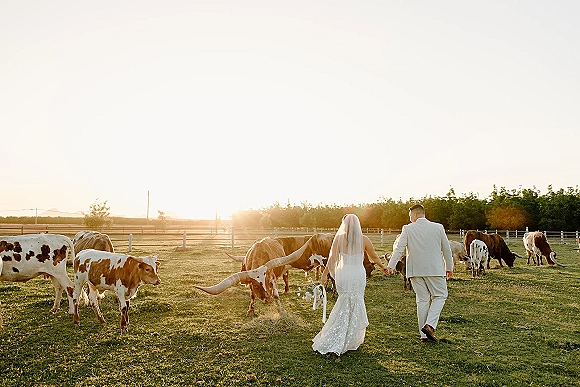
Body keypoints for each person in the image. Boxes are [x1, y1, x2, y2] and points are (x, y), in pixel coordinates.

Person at [312, 214, 389, 356]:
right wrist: (382, 266)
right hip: (358, 275)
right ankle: (350, 337)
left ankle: (341, 334)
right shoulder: (364, 239)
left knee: (343, 302)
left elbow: (332, 258)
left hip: (344, 274)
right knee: (355, 302)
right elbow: (374, 256)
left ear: (344, 225)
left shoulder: (339, 239)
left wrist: (325, 274)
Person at [385, 204, 453, 342]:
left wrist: (390, 266)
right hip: (435, 269)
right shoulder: (438, 227)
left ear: (415, 215)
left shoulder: (407, 229)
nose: (410, 219)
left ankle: (423, 336)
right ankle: (429, 326)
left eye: (410, 216)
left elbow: (399, 249)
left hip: (415, 270)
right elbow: (446, 249)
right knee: (440, 296)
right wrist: (449, 267)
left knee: (422, 300)